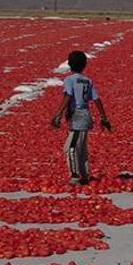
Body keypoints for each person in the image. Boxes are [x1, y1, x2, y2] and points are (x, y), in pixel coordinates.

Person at [50, 50, 112, 185]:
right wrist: (103, 117)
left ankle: (75, 175)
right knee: (81, 147)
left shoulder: (69, 80)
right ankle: (84, 175)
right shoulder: (87, 80)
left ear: (69, 64)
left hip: (77, 116)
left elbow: (68, 96)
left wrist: (58, 114)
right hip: (85, 114)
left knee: (70, 147)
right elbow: (96, 99)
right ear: (84, 65)